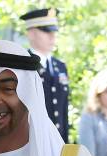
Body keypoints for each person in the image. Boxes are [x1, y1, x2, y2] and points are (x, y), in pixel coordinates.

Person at [21, 7, 69, 142]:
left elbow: (63, 112)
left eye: (54, 31)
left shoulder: (60, 67)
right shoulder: (22, 65)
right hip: (32, 143)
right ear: (31, 34)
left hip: (58, 144)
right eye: (46, 31)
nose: (52, 36)